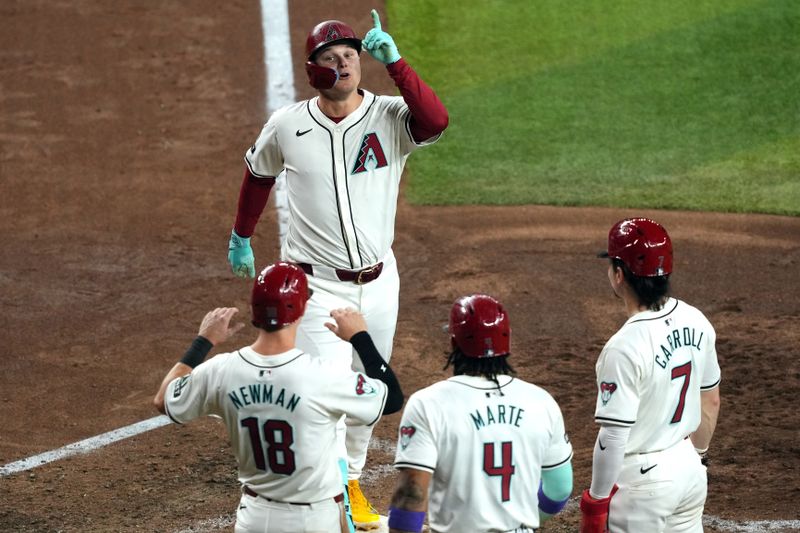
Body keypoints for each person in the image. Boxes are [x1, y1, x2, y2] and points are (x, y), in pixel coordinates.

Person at [226, 9, 448, 527]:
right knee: (324, 389)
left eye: (351, 56)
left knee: (369, 386)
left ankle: (349, 480)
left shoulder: (390, 116)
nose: (345, 65)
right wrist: (240, 236)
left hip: (380, 280)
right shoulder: (289, 125)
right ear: (314, 70)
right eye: (332, 58)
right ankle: (327, 488)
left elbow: (436, 120)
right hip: (317, 285)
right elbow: (257, 175)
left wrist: (398, 64)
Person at [153, 262, 404, 533]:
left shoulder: (221, 370)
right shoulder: (324, 375)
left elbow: (164, 397)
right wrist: (360, 338)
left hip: (255, 517)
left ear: (254, 311)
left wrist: (204, 340)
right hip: (313, 519)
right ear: (303, 309)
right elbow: (391, 399)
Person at [580, 218, 722, 533]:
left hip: (642, 488)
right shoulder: (696, 320)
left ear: (619, 275)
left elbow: (613, 435)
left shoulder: (623, 347)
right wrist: (695, 456)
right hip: (689, 473)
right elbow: (710, 401)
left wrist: (596, 503)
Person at [388, 294, 573, 533]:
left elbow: (410, 494)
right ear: (507, 342)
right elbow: (560, 488)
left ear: (455, 344)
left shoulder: (429, 403)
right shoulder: (541, 401)